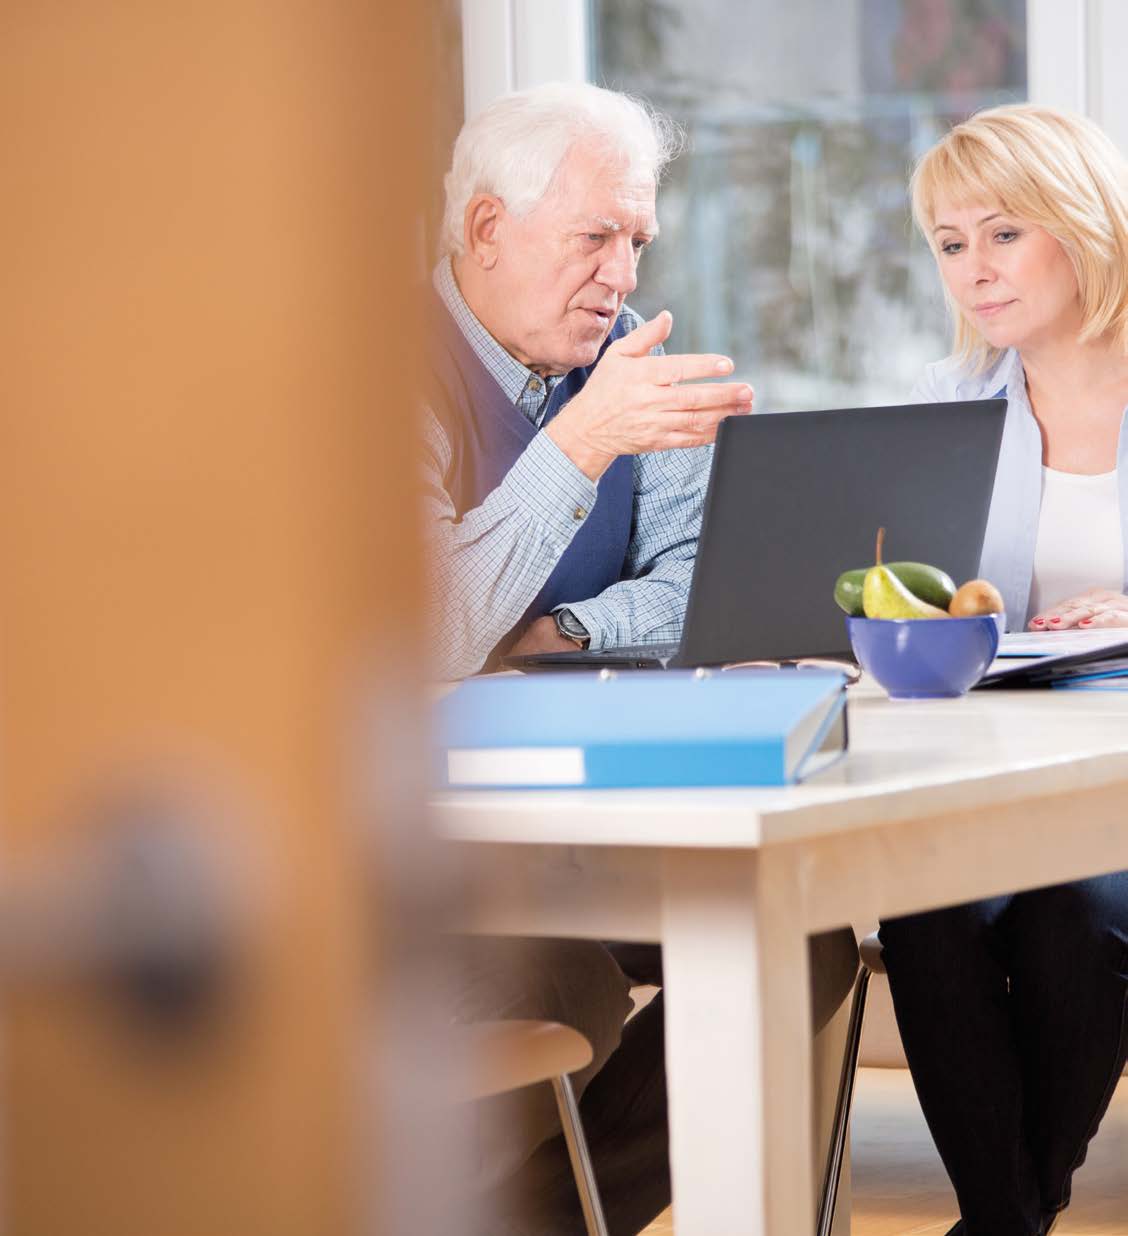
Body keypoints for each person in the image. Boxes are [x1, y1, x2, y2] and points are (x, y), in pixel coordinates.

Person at [426, 82, 859, 1234]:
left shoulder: (622, 358)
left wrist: (560, 631)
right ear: (485, 230)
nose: (622, 275)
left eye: (637, 241)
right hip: (437, 842)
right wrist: (583, 441)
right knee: (550, 979)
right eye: (594, 237)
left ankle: (541, 1222)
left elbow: (688, 594)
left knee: (799, 943)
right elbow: (425, 632)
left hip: (611, 801)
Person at [879, 103, 1128, 1236]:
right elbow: (928, 604)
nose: (972, 271)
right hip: (999, 760)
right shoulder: (947, 407)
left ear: (1083, 226)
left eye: (1002, 235)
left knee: (1073, 924)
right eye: (948, 243)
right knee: (925, 907)